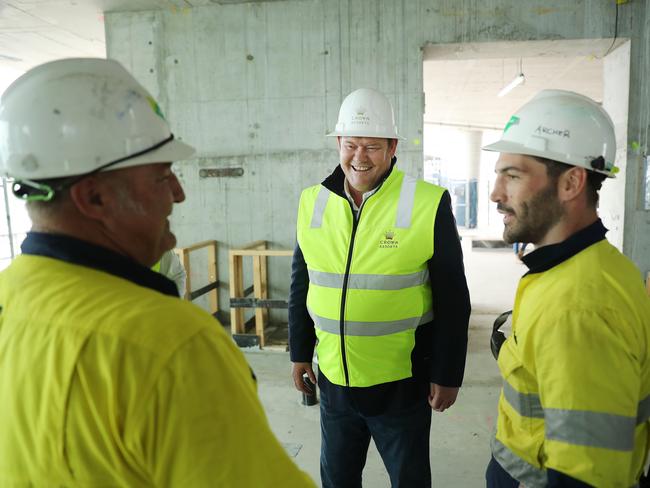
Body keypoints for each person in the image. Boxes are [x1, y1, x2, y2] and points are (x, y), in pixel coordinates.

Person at [0, 58, 314, 487]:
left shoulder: (7, 299)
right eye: (163, 175)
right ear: (93, 199)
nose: (179, 193)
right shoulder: (170, 343)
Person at [289, 87, 471, 488]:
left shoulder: (427, 203)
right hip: (334, 378)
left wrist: (448, 373)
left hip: (401, 382)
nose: (359, 156)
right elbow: (303, 282)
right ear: (338, 144)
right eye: (351, 144)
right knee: (337, 480)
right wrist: (300, 352)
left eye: (372, 146)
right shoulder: (311, 202)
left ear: (392, 148)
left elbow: (453, 298)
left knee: (409, 480)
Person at [483, 89, 650, 487]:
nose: (495, 193)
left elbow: (587, 477)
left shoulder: (580, 306)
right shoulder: (585, 267)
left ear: (572, 182)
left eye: (514, 175)